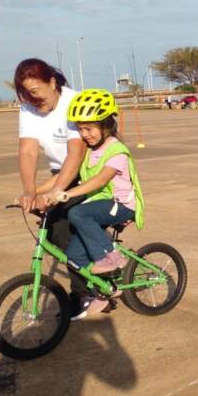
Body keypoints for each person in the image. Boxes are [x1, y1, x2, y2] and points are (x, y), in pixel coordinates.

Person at [48, 89, 145, 319]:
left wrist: (66, 194)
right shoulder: (89, 150)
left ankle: (112, 256)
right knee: (74, 257)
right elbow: (62, 175)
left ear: (105, 126)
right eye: (80, 129)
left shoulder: (116, 150)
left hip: (120, 205)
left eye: (89, 128)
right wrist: (34, 193)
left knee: (78, 213)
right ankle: (106, 291)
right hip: (102, 203)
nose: (84, 134)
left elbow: (100, 180)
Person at [14, 58, 88, 313]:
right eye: (26, 94)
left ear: (52, 82)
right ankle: (94, 267)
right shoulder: (28, 108)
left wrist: (56, 193)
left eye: (35, 92)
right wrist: (29, 190)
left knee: (67, 224)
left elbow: (76, 154)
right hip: (60, 172)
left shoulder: (74, 101)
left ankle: (85, 293)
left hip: (88, 171)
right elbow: (28, 152)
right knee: (54, 231)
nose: (33, 99)